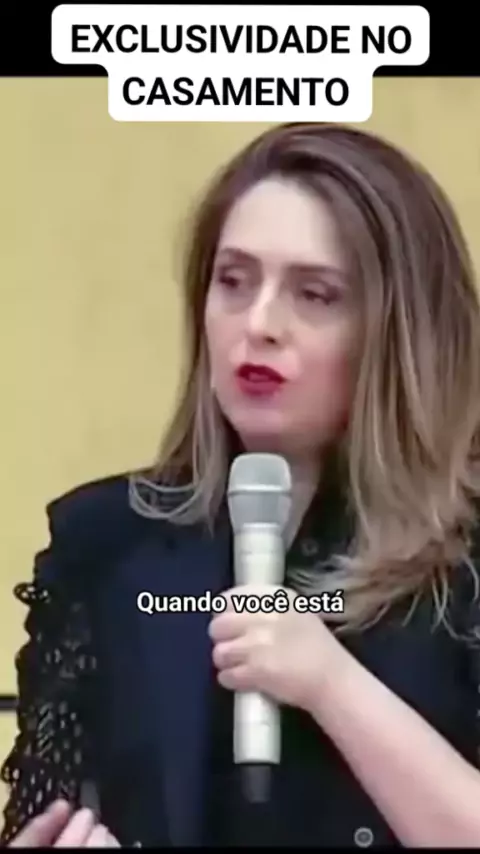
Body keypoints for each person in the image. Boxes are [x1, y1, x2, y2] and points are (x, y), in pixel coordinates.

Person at [3, 121, 480, 849]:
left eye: (315, 294)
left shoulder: (465, 557)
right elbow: (45, 813)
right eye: (233, 281)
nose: (258, 325)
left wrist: (332, 685)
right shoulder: (104, 544)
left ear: (399, 330)